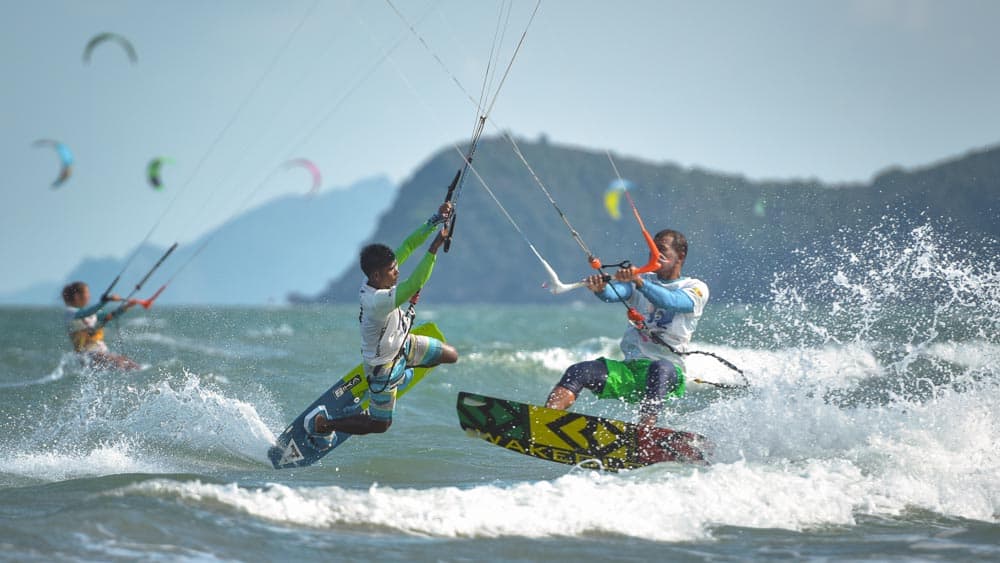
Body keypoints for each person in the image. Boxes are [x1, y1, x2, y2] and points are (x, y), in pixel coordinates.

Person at [308, 201, 459, 446]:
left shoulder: (379, 280)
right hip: (383, 368)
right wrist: (434, 248)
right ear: (377, 275)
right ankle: (324, 424)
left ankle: (401, 377)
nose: (396, 272)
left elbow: (408, 246)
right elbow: (413, 284)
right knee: (380, 425)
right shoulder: (376, 301)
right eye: (392, 270)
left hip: (404, 344)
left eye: (395, 267)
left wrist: (435, 219)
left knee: (450, 355)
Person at [545, 229, 708, 428]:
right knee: (578, 371)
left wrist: (639, 282)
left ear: (680, 255)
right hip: (631, 372)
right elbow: (616, 293)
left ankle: (645, 433)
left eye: (662, 250)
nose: (655, 255)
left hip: (669, 373)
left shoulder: (695, 287)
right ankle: (545, 422)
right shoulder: (643, 280)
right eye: (652, 250)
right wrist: (601, 289)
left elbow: (671, 301)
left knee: (660, 368)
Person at [62, 281, 142, 371]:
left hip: (100, 351)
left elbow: (111, 316)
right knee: (123, 364)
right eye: (87, 293)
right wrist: (105, 301)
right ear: (77, 296)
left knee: (131, 365)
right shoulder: (70, 312)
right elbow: (86, 313)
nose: (89, 296)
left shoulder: (92, 313)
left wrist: (126, 306)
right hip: (87, 354)